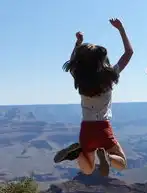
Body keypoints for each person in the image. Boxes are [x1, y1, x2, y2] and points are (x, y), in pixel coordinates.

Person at [53, 18, 133, 177]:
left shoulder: (80, 78)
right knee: (122, 163)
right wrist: (121, 29)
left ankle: (78, 153)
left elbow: (73, 62)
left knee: (88, 169)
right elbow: (129, 53)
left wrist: (78, 43)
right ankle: (108, 157)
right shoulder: (110, 76)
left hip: (86, 129)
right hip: (103, 128)